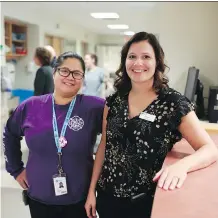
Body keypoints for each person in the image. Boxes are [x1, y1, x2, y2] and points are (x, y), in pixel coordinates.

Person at [85, 32, 218, 218]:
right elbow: (104, 147)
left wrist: (181, 166)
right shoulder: (114, 101)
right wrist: (92, 191)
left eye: (146, 57)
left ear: (157, 62)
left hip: (145, 203)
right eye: (132, 57)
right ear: (125, 62)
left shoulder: (173, 103)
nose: (138, 63)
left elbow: (209, 149)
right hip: (107, 199)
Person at [3, 51, 105, 218]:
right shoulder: (30, 106)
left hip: (80, 199)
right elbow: (9, 133)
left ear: (83, 78)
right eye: (64, 71)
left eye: (77, 73)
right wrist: (16, 169)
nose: (70, 77)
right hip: (39, 197)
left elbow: (123, 122)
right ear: (54, 72)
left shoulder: (94, 107)